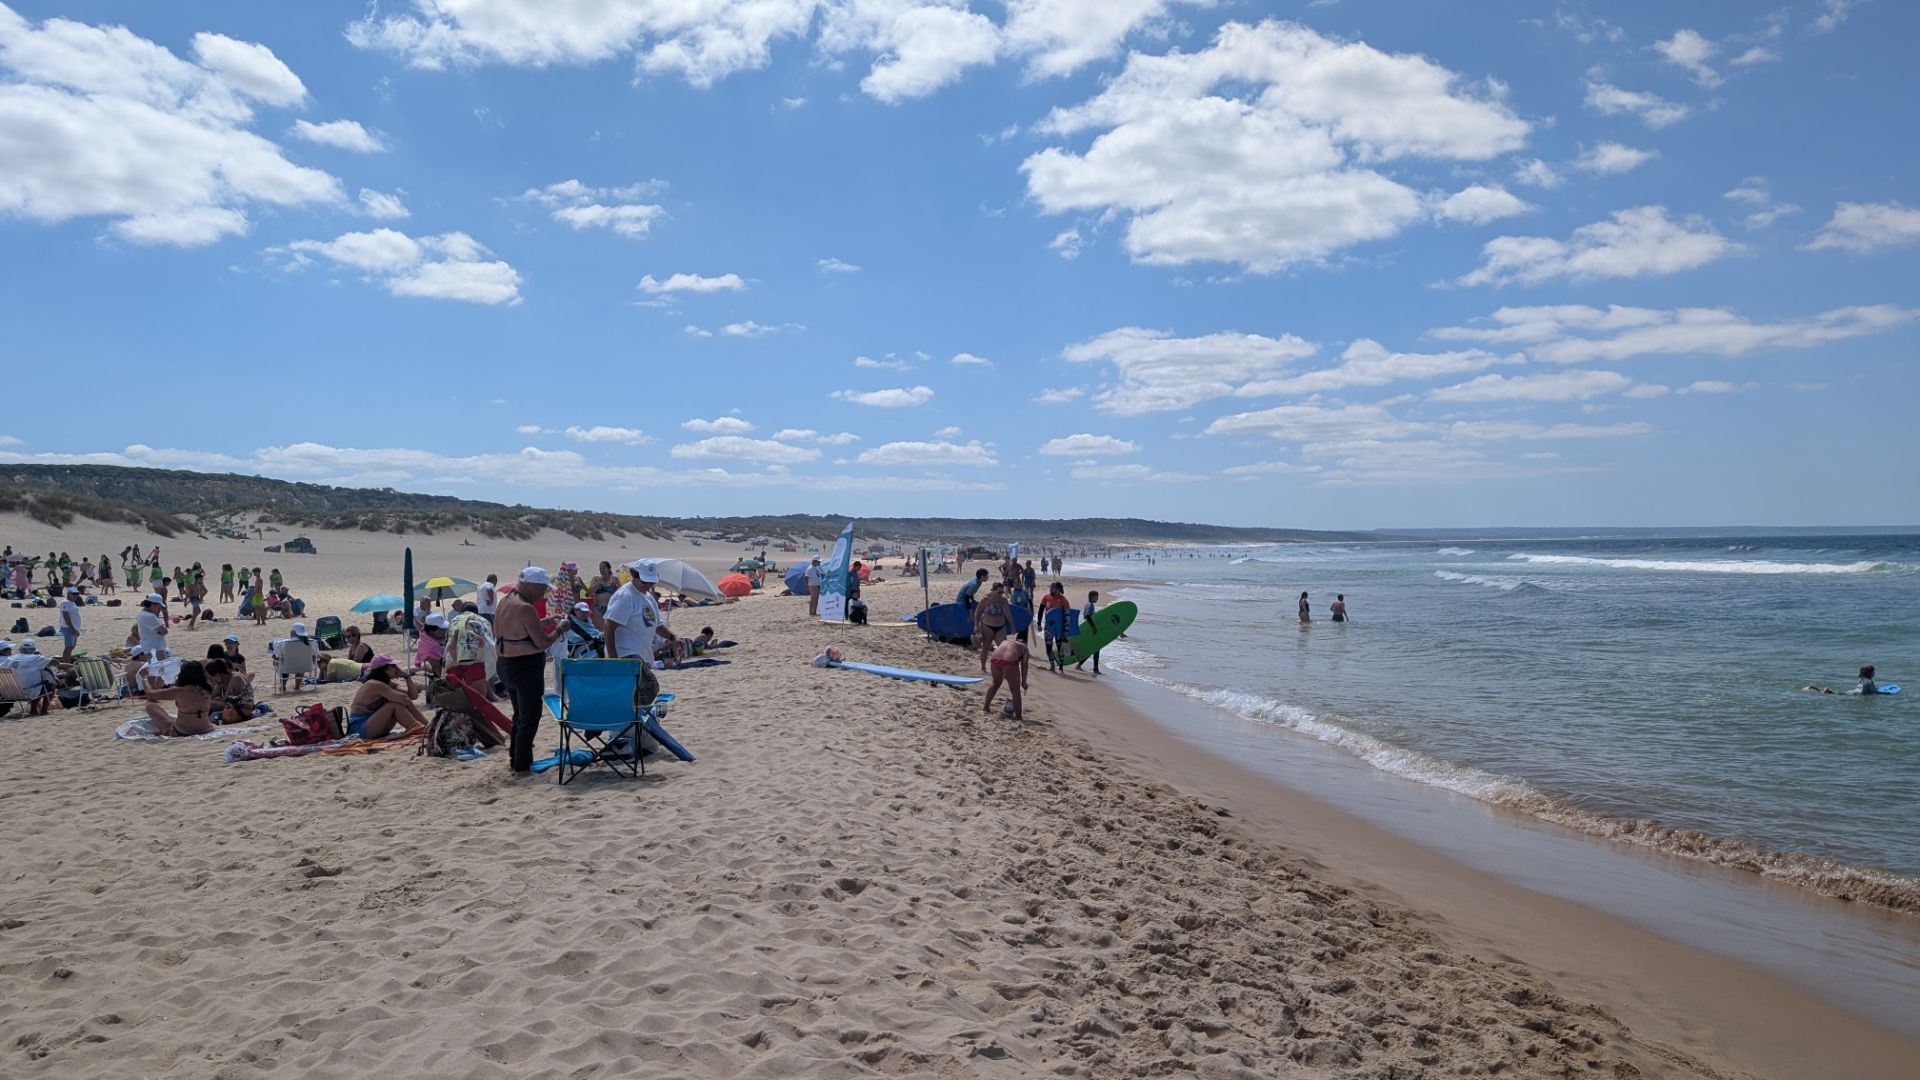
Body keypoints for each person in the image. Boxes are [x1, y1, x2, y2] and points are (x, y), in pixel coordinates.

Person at [495, 567, 558, 776]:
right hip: (524, 667)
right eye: (541, 589)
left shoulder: (506, 601)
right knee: (530, 717)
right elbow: (541, 643)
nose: (543, 594)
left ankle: (516, 758)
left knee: (519, 716)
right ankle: (522, 765)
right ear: (531, 586)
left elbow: (514, 630)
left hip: (505, 664)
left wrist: (542, 623)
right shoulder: (525, 607)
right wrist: (560, 630)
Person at [603, 559, 664, 706]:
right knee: (651, 686)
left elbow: (657, 625)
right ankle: (631, 716)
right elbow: (609, 627)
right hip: (626, 653)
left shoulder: (648, 597)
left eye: (651, 583)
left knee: (636, 690)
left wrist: (673, 638)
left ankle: (630, 717)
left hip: (642, 653)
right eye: (645, 582)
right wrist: (614, 660)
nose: (648, 586)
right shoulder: (625, 596)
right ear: (634, 576)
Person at [348, 655, 430, 739]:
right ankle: (423, 729)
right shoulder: (374, 684)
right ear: (383, 669)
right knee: (394, 705)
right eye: (393, 666)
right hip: (359, 728)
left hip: (371, 724)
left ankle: (425, 728)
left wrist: (407, 677)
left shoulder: (387, 684)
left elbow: (413, 696)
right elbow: (405, 699)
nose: (397, 668)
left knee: (399, 702)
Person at [144, 660, 216, 737]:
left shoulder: (179, 691)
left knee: (150, 706)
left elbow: (150, 693)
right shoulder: (207, 688)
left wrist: (144, 679)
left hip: (183, 732)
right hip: (206, 729)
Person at [983, 636, 1031, 721]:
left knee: (995, 683)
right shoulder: (1025, 649)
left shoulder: (1005, 642)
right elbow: (1024, 665)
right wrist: (1024, 682)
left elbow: (1002, 657)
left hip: (994, 658)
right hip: (1009, 660)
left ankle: (986, 707)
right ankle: (1018, 717)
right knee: (1015, 690)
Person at [973, 581, 1013, 673]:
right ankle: (983, 667)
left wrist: (1013, 626)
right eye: (999, 592)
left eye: (1002, 592)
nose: (1001, 594)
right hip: (987, 626)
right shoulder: (986, 600)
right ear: (993, 590)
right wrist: (976, 626)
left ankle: (1002, 669)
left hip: (1000, 627)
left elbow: (1007, 613)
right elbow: (978, 613)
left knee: (1004, 649)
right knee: (986, 648)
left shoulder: (1003, 600)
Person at [204, 657, 254, 724]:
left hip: (242, 711)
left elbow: (229, 703)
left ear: (217, 674)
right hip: (236, 707)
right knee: (212, 700)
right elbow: (211, 696)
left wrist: (215, 700)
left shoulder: (236, 678)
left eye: (211, 677)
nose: (211, 680)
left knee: (208, 703)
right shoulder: (224, 680)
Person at [1038, 582, 1072, 672]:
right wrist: (1038, 623)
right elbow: (1040, 611)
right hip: (1048, 627)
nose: (1051, 589)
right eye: (1051, 587)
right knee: (1048, 646)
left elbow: (1068, 616)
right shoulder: (1046, 598)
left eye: (1053, 588)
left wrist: (1066, 630)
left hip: (1059, 628)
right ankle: (1052, 665)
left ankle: (1061, 667)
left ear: (1059, 590)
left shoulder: (1064, 600)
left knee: (1060, 646)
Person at [1074, 591, 1104, 675]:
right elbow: (1087, 616)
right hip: (1090, 630)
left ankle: (1081, 665)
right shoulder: (1090, 605)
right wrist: (1093, 627)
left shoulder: (1088, 604)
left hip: (1089, 630)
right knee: (1096, 648)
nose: (1097, 599)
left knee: (1092, 649)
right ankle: (1095, 668)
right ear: (1092, 596)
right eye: (1096, 597)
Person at [135, 592, 170, 660]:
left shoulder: (141, 613)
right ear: (153, 604)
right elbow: (164, 631)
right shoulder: (150, 616)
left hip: (147, 646)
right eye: (159, 606)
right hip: (156, 647)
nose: (160, 608)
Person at [416, 612, 449, 678]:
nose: (444, 631)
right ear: (431, 630)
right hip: (439, 668)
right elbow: (438, 669)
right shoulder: (432, 648)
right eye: (441, 630)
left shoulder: (426, 634)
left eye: (444, 629)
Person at [57, 585, 83, 661]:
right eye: (74, 594)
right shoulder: (65, 603)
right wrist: (71, 628)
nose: (76, 596)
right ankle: (66, 662)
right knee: (68, 646)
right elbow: (66, 616)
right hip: (68, 627)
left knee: (72, 646)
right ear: (69, 594)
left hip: (74, 628)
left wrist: (77, 629)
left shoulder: (72, 603)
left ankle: (68, 660)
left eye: (77, 594)